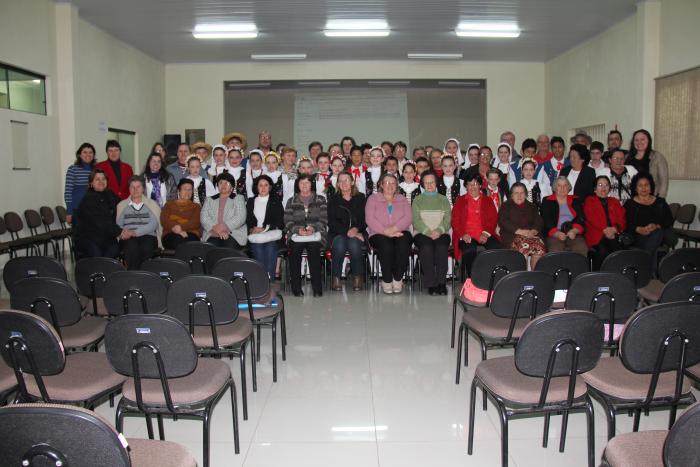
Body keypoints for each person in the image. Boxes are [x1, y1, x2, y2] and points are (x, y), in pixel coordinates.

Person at [366, 173, 412, 294]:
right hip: (377, 233)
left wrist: (395, 229)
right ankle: (386, 280)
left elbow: (408, 217)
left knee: (404, 242)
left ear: (396, 185)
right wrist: (385, 231)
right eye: (386, 182)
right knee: (386, 245)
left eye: (393, 183)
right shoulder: (373, 199)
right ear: (381, 184)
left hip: (400, 231)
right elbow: (370, 219)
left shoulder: (402, 199)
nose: (389, 185)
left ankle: (397, 278)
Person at [284, 173, 328, 297]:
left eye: (307, 182)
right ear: (297, 185)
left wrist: (312, 229)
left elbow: (324, 220)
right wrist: (298, 230)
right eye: (301, 182)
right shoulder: (291, 201)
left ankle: (317, 288)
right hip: (296, 235)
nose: (304, 185)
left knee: (314, 250)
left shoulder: (321, 199)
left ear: (312, 184)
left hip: (316, 234)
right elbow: (287, 221)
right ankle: (296, 288)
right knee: (295, 250)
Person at [452, 173, 502, 278]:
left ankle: (490, 276)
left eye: (475, 184)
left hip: (484, 233)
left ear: (480, 185)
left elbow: (493, 219)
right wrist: (463, 234)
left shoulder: (488, 200)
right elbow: (455, 221)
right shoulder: (460, 200)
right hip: (466, 234)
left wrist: (485, 233)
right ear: (466, 186)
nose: (473, 187)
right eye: (469, 184)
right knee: (469, 250)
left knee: (496, 247)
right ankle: (471, 277)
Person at [624, 173, 674, 272]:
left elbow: (669, 220)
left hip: (658, 233)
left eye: (646, 185)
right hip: (638, 235)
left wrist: (657, 225)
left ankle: (644, 264)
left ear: (651, 187)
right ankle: (651, 272)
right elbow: (625, 223)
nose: (644, 188)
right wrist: (638, 229)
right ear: (635, 188)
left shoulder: (660, 202)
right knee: (652, 246)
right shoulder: (629, 204)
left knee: (657, 234)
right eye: (640, 185)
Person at [412, 172, 452, 295]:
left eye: (432, 182)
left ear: (437, 183)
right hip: (422, 233)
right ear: (422, 184)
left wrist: (439, 231)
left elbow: (448, 219)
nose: (429, 185)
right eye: (426, 182)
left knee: (441, 247)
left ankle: (441, 283)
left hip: (441, 232)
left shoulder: (443, 199)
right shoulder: (418, 200)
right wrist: (428, 232)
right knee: (427, 247)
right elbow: (416, 220)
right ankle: (430, 283)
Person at [327, 172, 367, 291]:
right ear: (337, 184)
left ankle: (357, 277)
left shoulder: (360, 197)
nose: (344, 183)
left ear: (352, 182)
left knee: (354, 244)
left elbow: (364, 219)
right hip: (338, 232)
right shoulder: (333, 199)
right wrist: (346, 232)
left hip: (357, 232)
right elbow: (331, 221)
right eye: (341, 181)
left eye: (346, 180)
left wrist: (356, 229)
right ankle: (336, 278)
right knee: (339, 244)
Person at [74, 168, 122, 259]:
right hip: (90, 236)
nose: (101, 181)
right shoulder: (88, 199)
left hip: (107, 235)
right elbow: (101, 221)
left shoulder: (110, 194)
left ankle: (106, 272)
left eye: (103, 179)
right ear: (91, 183)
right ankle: (98, 272)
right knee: (98, 255)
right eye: (97, 179)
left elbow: (122, 205)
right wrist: (120, 232)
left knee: (115, 249)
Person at [116, 176, 161, 270]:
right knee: (131, 248)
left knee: (146, 247)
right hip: (128, 236)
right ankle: (134, 277)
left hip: (148, 235)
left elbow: (154, 224)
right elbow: (118, 225)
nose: (135, 189)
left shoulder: (152, 204)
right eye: (132, 187)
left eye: (138, 187)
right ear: (129, 189)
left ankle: (146, 276)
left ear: (143, 189)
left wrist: (135, 232)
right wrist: (124, 233)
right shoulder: (122, 205)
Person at [498, 183, 546, 268]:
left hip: (531, 235)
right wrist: (520, 231)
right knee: (523, 247)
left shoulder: (531, 206)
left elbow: (539, 221)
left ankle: (535, 275)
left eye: (522, 193)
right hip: (512, 235)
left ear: (526, 194)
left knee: (539, 248)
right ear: (512, 195)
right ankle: (522, 276)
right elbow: (503, 221)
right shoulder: (505, 206)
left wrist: (534, 230)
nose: (519, 195)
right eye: (516, 193)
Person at [583, 176, 627, 270]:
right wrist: (606, 230)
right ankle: (599, 277)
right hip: (597, 234)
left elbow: (622, 219)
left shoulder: (614, 201)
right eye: (600, 185)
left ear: (609, 188)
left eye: (606, 185)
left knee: (618, 252)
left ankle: (616, 278)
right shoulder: (590, 200)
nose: (603, 188)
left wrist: (614, 229)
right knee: (604, 251)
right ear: (595, 189)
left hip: (614, 234)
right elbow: (591, 218)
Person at [246, 175, 284, 280]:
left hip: (270, 235)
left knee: (271, 248)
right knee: (257, 249)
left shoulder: (276, 201)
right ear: (256, 187)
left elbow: (280, 222)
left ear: (270, 187)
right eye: (260, 185)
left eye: (266, 185)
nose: (263, 188)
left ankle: (269, 280)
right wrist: (251, 229)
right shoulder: (250, 201)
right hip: (255, 236)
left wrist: (264, 229)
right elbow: (248, 220)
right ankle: (260, 281)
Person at [541, 176, 588, 257]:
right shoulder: (547, 201)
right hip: (555, 233)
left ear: (568, 187)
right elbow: (546, 219)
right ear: (555, 188)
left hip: (573, 233)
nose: (562, 188)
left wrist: (575, 230)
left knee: (581, 248)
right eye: (559, 185)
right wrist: (556, 233)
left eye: (565, 185)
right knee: (555, 251)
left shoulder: (576, 200)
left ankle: (578, 270)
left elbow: (581, 217)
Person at [200, 172, 247, 249]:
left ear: (232, 187)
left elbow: (240, 217)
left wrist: (223, 227)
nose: (223, 185)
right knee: (210, 250)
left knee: (227, 248)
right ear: (217, 186)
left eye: (227, 183)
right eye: (221, 183)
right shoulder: (209, 199)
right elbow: (204, 217)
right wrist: (216, 229)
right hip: (212, 232)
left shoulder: (238, 198)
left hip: (233, 233)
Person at [625, 129, 669, 198]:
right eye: (636, 140)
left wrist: (660, 198)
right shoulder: (627, 157)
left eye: (642, 139)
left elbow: (664, 181)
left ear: (649, 140)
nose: (639, 142)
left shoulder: (657, 156)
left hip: (651, 198)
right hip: (630, 198)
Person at [160, 178, 201, 250]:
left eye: (190, 189)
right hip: (170, 232)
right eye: (185, 189)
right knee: (178, 242)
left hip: (191, 233)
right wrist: (177, 229)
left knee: (187, 243)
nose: (187, 192)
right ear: (179, 190)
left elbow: (195, 222)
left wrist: (181, 228)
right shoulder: (169, 205)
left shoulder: (196, 206)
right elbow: (164, 220)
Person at [64, 142, 96, 225]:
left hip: (93, 209)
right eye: (85, 152)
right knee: (79, 236)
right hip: (77, 210)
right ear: (79, 154)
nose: (88, 155)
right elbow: (68, 192)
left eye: (90, 152)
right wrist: (69, 212)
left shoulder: (96, 170)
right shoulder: (73, 169)